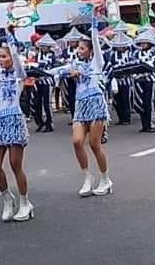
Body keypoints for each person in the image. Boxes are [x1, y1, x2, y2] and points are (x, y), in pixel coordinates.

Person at [53, 14, 112, 197]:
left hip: (95, 104)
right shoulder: (74, 63)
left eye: (81, 48)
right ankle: (87, 177)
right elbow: (59, 70)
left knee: (94, 144)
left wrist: (94, 25)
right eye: (77, 48)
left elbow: (95, 42)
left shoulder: (97, 63)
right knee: (77, 141)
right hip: (80, 105)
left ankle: (105, 178)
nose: (78, 51)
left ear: (90, 50)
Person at [0, 26, 33, 223]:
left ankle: (24, 202)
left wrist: (10, 35)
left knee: (15, 165)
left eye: (4, 56)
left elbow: (16, 57)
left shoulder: (18, 76)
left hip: (14, 120)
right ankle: (7, 198)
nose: (1, 59)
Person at [132, 29, 155, 133]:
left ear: (149, 43)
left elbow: (153, 65)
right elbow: (133, 65)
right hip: (138, 81)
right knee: (140, 102)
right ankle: (144, 125)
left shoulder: (154, 53)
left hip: (150, 81)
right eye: (141, 43)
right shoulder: (136, 54)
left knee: (149, 103)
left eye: (145, 43)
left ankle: (150, 125)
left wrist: (144, 68)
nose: (143, 45)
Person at [107, 32, 133, 126]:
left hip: (126, 80)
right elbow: (109, 66)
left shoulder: (129, 54)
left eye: (121, 46)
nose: (120, 47)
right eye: (118, 46)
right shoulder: (112, 55)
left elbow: (132, 65)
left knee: (125, 99)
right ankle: (121, 118)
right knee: (117, 100)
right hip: (116, 81)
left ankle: (127, 118)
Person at [33, 34, 57, 133]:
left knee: (47, 103)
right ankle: (39, 122)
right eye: (41, 46)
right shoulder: (37, 55)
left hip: (47, 81)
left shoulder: (51, 55)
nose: (43, 48)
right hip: (38, 81)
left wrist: (36, 66)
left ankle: (49, 123)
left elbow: (45, 65)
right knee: (36, 102)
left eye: (45, 46)